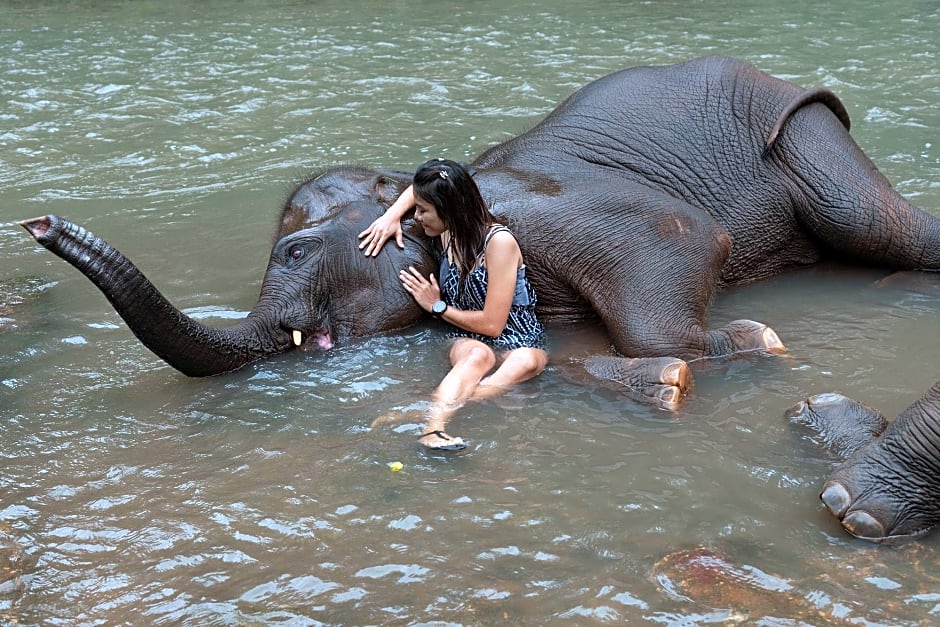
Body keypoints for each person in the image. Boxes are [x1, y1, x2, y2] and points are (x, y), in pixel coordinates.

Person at [358, 159, 548, 451]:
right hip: (468, 340)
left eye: (424, 211)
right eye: (418, 209)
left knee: (527, 360)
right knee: (477, 354)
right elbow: (418, 187)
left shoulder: (499, 243)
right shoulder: (446, 231)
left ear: (449, 210)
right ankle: (433, 429)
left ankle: (426, 407)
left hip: (518, 338)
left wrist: (436, 306)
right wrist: (392, 215)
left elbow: (493, 325)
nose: (418, 217)